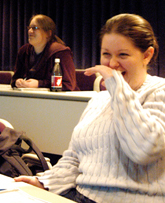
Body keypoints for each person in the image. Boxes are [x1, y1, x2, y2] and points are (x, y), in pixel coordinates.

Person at [14, 13, 165, 203]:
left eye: (123, 55)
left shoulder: (159, 91)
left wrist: (116, 86)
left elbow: (143, 150)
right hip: (80, 195)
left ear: (147, 55)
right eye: (106, 54)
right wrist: (45, 182)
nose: (112, 64)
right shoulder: (99, 100)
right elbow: (75, 158)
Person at [11, 14, 79, 91]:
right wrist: (17, 82)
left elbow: (68, 85)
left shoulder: (61, 52)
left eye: (35, 28)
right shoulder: (23, 51)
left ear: (48, 33)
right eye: (29, 28)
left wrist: (39, 84)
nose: (30, 31)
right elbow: (14, 79)